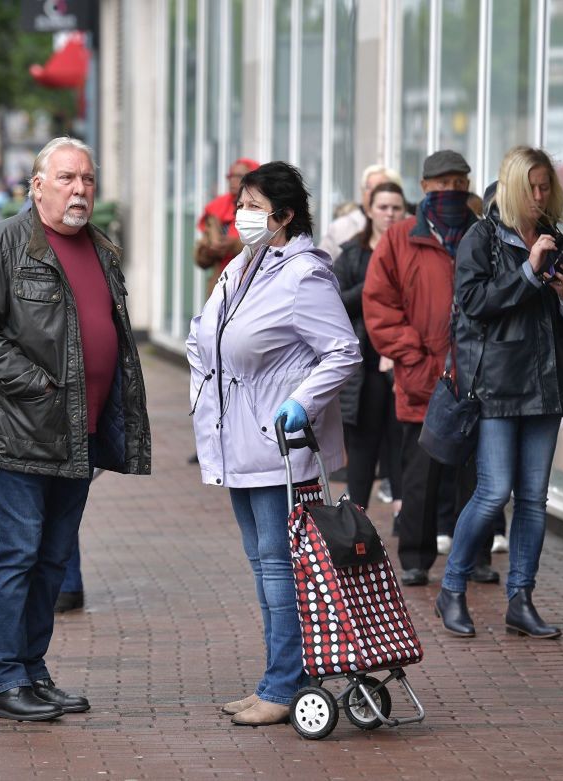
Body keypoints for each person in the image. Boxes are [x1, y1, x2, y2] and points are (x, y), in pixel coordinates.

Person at [0, 137, 151, 722]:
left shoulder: (100, 248)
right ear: (37, 186)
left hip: (77, 432)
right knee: (16, 553)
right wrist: (37, 384)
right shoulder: (3, 245)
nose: (79, 189)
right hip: (19, 431)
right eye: (66, 178)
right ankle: (2, 680)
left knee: (53, 558)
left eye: (87, 179)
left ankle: (32, 672)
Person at [187, 162, 361, 726]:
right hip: (237, 444)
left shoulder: (303, 274)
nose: (242, 216)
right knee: (265, 568)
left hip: (279, 449)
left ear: (284, 217)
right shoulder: (242, 266)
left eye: (255, 207)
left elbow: (342, 351)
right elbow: (206, 338)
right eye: (240, 204)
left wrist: (299, 404)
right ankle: (280, 679)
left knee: (282, 569)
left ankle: (285, 686)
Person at [436, 146, 563, 639]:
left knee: (532, 500)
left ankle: (520, 599)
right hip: (499, 387)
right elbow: (475, 303)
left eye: (547, 186)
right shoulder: (481, 238)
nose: (541, 195)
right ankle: (453, 588)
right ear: (512, 187)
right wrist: (528, 271)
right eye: (533, 187)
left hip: (546, 388)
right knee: (492, 493)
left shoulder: (557, 239)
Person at [363, 150, 497, 587]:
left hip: (477, 378)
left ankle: (474, 556)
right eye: (443, 186)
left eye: (460, 184)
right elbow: (380, 305)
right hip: (422, 378)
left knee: (475, 478)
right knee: (420, 476)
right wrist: (415, 356)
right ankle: (415, 558)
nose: (452, 192)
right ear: (424, 188)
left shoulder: (484, 233)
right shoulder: (400, 238)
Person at [331, 181, 406, 510]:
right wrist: (373, 282)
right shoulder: (352, 255)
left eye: (396, 208)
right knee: (361, 455)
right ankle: (354, 528)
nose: (389, 214)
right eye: (383, 207)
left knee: (403, 450)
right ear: (369, 210)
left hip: (404, 363)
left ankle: (410, 534)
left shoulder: (414, 251)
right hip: (365, 370)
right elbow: (334, 306)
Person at [194, 157, 261, 295]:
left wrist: (236, 245)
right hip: (221, 287)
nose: (232, 180)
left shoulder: (263, 207)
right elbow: (201, 261)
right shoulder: (216, 208)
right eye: (230, 176)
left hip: (252, 287)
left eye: (239, 176)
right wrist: (209, 250)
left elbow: (270, 247)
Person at [318, 164, 402, 255]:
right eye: (368, 187)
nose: (372, 192)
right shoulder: (340, 227)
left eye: (380, 188)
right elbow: (319, 264)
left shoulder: (410, 227)